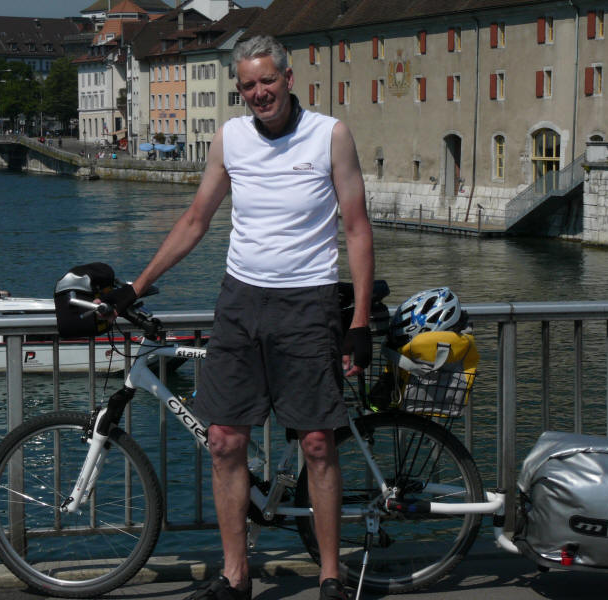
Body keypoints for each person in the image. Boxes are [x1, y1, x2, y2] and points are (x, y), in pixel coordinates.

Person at [102, 35, 374, 600]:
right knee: (225, 440)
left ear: (289, 79)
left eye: (267, 81)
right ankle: (235, 576)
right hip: (241, 302)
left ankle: (330, 575)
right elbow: (196, 220)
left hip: (308, 303)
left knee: (317, 442)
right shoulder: (231, 138)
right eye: (248, 85)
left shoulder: (330, 135)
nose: (259, 93)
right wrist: (136, 286)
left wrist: (360, 322)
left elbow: (355, 228)